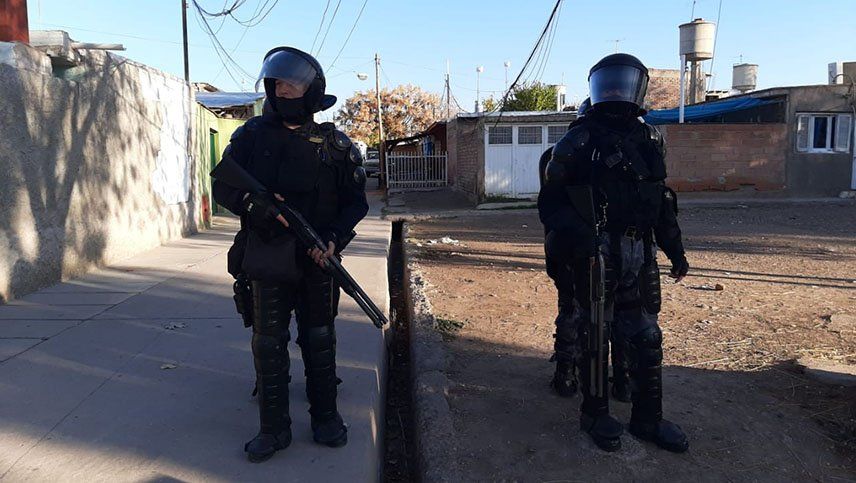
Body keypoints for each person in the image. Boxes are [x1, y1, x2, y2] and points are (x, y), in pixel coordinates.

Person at [213, 46, 369, 462]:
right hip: (267, 255)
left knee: (319, 338)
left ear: (311, 91)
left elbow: (355, 202)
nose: (282, 91)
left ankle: (326, 418)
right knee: (268, 343)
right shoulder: (250, 137)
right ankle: (273, 429)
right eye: (277, 84)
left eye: (292, 85)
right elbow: (224, 186)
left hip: (317, 256)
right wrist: (255, 206)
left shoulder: (335, 145)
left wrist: (334, 239)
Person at [538, 53, 689, 453]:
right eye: (610, 82)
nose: (617, 90)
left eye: (624, 82)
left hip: (640, 250)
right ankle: (595, 413)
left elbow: (660, 201)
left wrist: (675, 250)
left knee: (647, 336)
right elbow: (551, 204)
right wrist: (579, 240)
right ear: (597, 86)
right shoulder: (579, 141)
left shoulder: (651, 139)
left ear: (638, 86)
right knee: (595, 333)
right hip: (597, 252)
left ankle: (648, 418)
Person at [538, 97, 630, 402]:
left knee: (574, 308)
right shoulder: (621, 152)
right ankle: (618, 379)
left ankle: (568, 374)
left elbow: (550, 212)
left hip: (577, 248)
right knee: (612, 311)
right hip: (600, 249)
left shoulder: (558, 155)